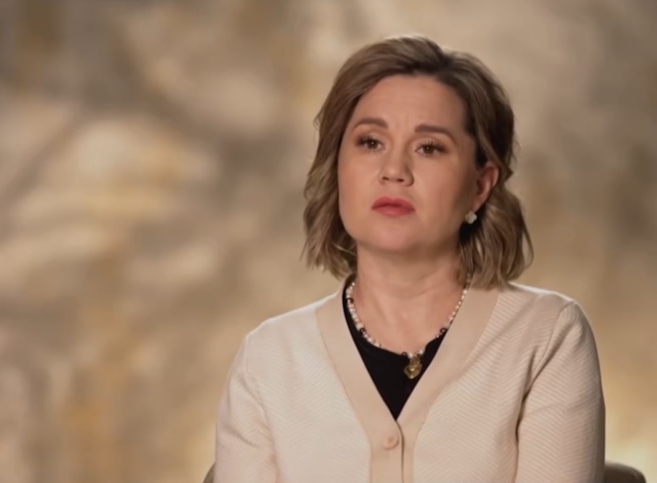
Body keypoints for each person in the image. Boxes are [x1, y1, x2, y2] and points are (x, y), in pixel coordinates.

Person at [213, 34, 605, 483]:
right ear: (337, 167)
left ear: (480, 186)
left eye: (429, 147)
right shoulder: (268, 359)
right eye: (370, 142)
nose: (394, 171)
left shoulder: (547, 336)